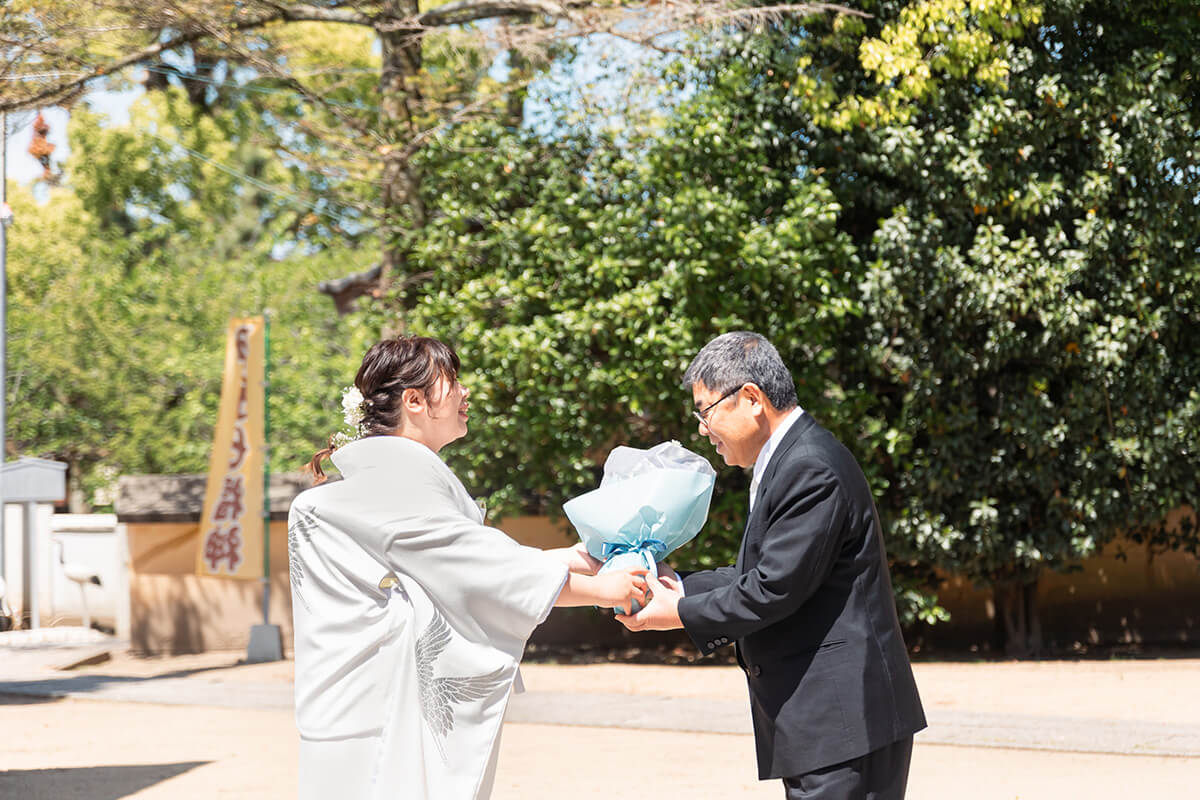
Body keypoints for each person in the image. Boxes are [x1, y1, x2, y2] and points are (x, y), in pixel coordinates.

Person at [288, 335, 646, 800]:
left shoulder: (376, 487)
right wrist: (605, 589)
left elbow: (471, 559)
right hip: (378, 718)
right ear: (413, 400)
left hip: (356, 712)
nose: (465, 392)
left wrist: (587, 561)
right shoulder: (393, 486)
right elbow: (484, 570)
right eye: (451, 381)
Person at [618, 331, 926, 800]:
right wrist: (673, 583)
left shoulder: (809, 466)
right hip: (826, 725)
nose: (702, 429)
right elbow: (760, 573)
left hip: (843, 722)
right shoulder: (789, 458)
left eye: (705, 411)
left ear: (751, 399)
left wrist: (677, 613)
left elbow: (774, 587)